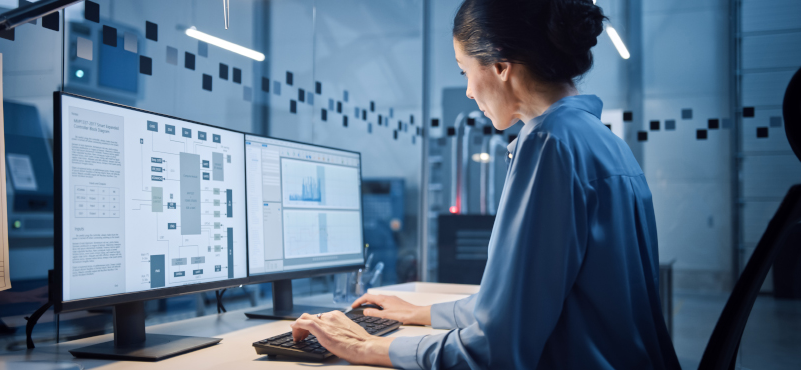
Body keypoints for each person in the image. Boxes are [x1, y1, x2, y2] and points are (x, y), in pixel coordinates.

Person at [290, 0, 681, 368]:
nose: (468, 91)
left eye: (465, 71)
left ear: (499, 65)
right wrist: (420, 312)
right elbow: (521, 305)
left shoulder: (549, 144)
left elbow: (496, 350)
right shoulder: (601, 141)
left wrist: (367, 345)